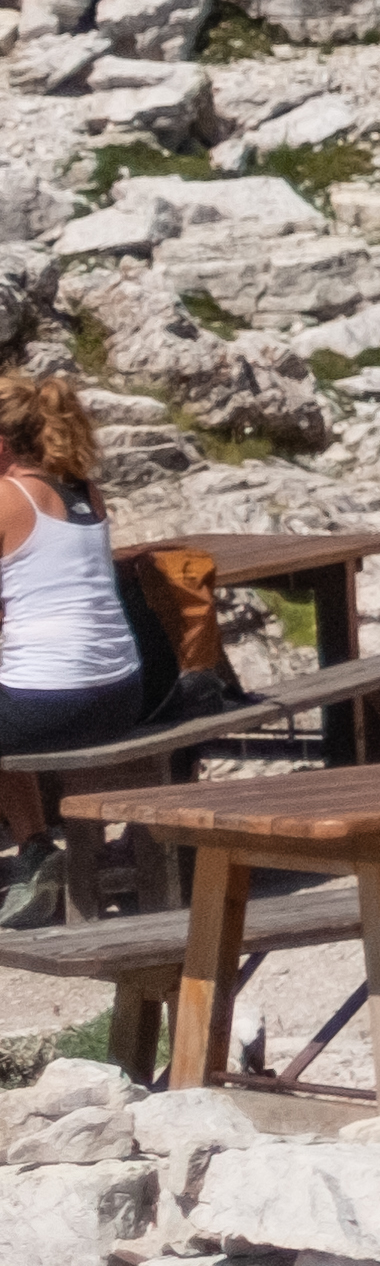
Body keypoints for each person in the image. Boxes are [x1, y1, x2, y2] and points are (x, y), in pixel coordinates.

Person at [0, 374, 148, 919]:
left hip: (55, 703)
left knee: (15, 699)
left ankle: (36, 852)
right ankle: (35, 847)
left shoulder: (6, 498)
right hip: (121, 695)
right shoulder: (86, 491)